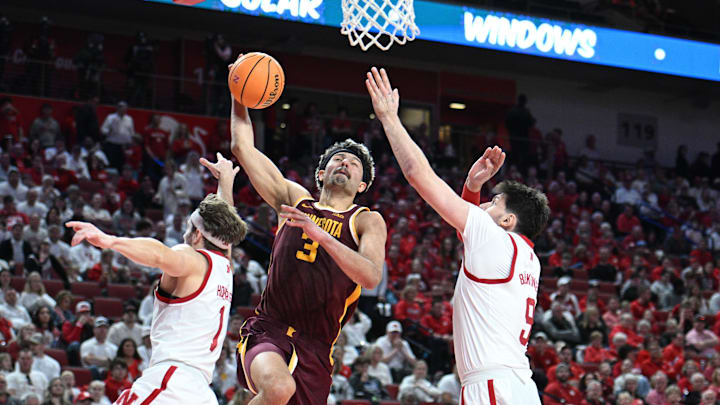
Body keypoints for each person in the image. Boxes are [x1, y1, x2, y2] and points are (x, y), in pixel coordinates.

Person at [366, 67, 549, 404]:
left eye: (494, 202)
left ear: (508, 219)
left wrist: (390, 119)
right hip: (514, 384)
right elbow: (470, 237)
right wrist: (473, 187)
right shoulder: (525, 256)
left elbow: (417, 175)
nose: (484, 206)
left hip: (492, 387)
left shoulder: (496, 242)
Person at [230, 62, 387, 404]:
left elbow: (371, 276)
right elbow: (243, 148)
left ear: (361, 185)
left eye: (353, 163)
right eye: (338, 159)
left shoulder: (365, 220)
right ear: (320, 173)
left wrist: (324, 236)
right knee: (278, 388)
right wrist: (238, 94)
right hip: (269, 326)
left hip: (317, 347)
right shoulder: (295, 200)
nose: (344, 163)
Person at [67, 153, 246, 405]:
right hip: (201, 392)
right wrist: (225, 182)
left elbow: (160, 254)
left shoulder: (192, 257)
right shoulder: (225, 267)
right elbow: (223, 232)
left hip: (171, 382)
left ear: (196, 236)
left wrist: (111, 241)